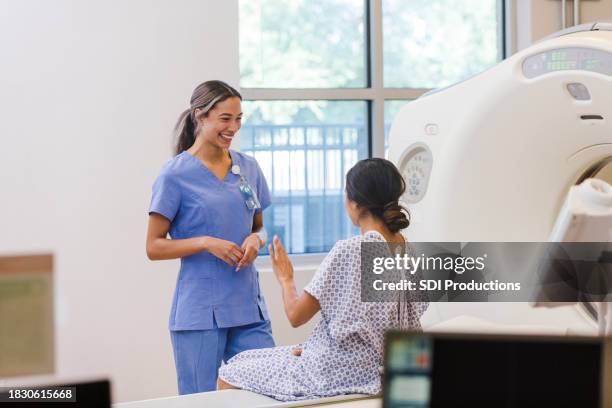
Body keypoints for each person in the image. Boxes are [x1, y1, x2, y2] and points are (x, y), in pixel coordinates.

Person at [217, 158, 428, 401]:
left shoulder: (350, 250)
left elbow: (296, 316)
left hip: (337, 372)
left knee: (231, 371)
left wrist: (286, 279)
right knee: (252, 357)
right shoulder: (407, 250)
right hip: (385, 368)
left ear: (355, 203)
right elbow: (380, 325)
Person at [146, 80, 274, 394]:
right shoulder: (175, 175)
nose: (234, 127)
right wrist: (205, 241)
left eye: (239, 119)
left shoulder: (248, 168)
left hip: (248, 306)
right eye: (225, 119)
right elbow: (154, 246)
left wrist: (256, 240)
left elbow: (260, 227)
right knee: (199, 401)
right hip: (200, 312)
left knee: (268, 390)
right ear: (200, 117)